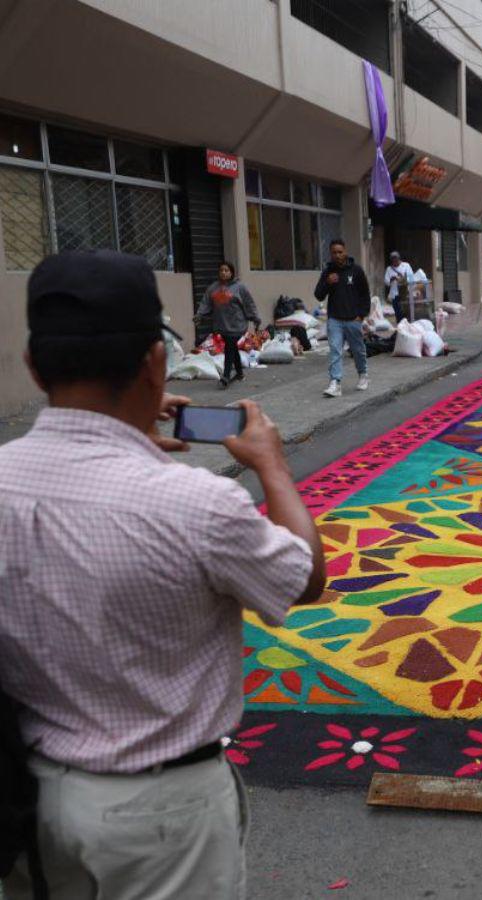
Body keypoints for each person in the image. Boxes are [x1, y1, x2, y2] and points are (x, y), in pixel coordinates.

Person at [0, 250, 326, 899]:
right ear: (157, 361)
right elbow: (304, 576)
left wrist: (125, 443)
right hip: (159, 815)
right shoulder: (192, 503)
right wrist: (273, 468)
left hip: (21, 798)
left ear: (36, 367)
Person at [315, 239, 370, 398]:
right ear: (330, 254)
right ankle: (335, 383)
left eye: (340, 252)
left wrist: (361, 315)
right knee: (335, 351)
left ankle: (363, 375)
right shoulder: (328, 272)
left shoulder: (356, 270)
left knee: (357, 350)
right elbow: (318, 295)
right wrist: (327, 282)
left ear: (345, 252)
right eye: (334, 252)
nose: (337, 255)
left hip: (353, 319)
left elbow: (365, 294)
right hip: (335, 320)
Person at [195, 261, 260, 389]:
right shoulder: (213, 288)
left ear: (231, 273)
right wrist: (199, 315)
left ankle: (226, 375)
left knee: (230, 345)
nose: (224, 273)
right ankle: (240, 374)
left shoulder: (239, 287)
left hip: (237, 324)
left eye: (226, 270)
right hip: (222, 324)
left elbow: (249, 303)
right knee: (232, 347)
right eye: (221, 270)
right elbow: (205, 303)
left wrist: (255, 317)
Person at [384, 251, 413, 323]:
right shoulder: (389, 269)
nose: (395, 261)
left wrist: (403, 279)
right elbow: (386, 282)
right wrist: (391, 279)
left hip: (405, 293)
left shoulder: (406, 266)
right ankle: (400, 327)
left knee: (405, 313)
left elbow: (411, 278)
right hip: (395, 294)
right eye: (393, 260)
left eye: (396, 259)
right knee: (398, 314)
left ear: (399, 258)